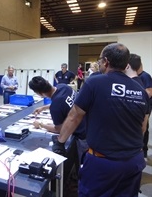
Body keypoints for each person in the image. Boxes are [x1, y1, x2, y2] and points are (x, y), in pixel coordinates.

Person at [53, 43, 150, 197]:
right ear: (126, 64)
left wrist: (60, 141)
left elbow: (74, 116)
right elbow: (143, 128)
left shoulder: (95, 82)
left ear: (105, 61)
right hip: (134, 162)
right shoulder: (140, 91)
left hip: (104, 163)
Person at [29, 76, 87, 164]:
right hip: (89, 123)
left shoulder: (56, 106)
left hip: (83, 135)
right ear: (47, 81)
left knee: (83, 163)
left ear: (39, 93)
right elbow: (67, 103)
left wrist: (40, 125)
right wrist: (44, 107)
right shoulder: (63, 86)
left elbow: (60, 129)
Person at [137, 60, 152, 158]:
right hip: (140, 106)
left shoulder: (145, 76)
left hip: (145, 107)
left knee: (144, 128)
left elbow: (149, 92)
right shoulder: (136, 77)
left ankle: (144, 151)